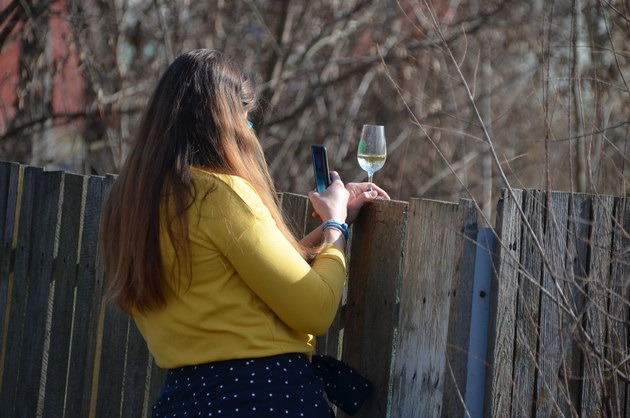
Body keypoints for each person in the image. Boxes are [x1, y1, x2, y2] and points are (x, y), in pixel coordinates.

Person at [99, 49, 390, 418]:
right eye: (247, 121)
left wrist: (332, 224)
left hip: (182, 402)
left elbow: (247, 277)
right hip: (264, 398)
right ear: (227, 123)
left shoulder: (128, 204)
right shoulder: (219, 195)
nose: (251, 134)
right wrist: (335, 225)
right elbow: (315, 309)